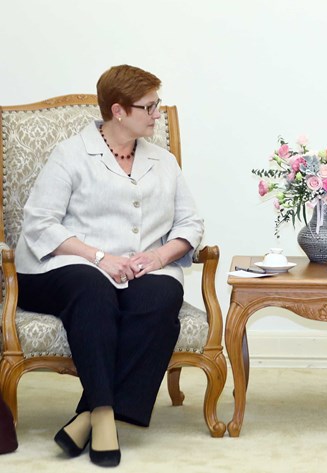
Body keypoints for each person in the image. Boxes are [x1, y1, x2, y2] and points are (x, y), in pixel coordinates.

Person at [15, 64, 204, 467]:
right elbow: (39, 222)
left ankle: (86, 415)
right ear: (118, 111)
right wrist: (100, 257)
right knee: (93, 289)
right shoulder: (70, 154)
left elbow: (190, 223)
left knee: (165, 294)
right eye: (149, 107)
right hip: (62, 266)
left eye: (158, 105)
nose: (157, 114)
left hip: (137, 270)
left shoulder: (163, 160)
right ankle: (103, 416)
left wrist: (158, 256)